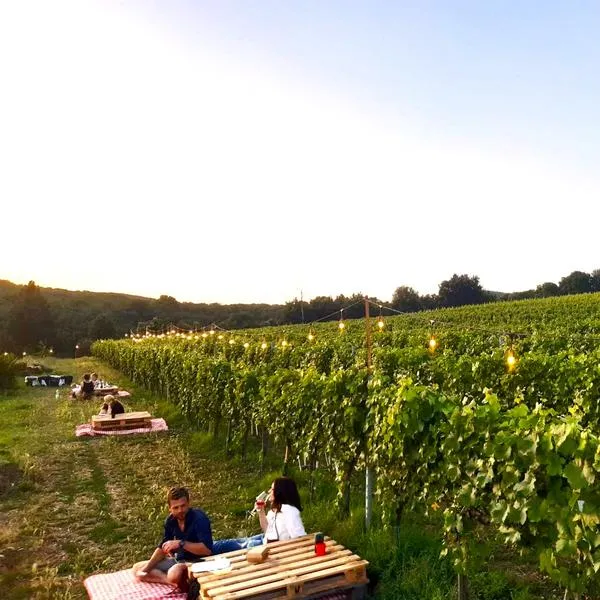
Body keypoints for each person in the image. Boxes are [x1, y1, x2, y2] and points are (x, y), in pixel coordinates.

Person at [132, 486, 213, 590]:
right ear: (169, 508)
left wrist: (181, 543)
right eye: (175, 508)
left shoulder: (199, 518)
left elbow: (206, 550)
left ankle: (176, 579)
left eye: (183, 506)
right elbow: (162, 547)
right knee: (137, 568)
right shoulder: (170, 521)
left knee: (174, 574)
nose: (180, 510)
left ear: (188, 504)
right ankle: (173, 583)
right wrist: (146, 569)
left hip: (198, 561)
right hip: (179, 560)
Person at [211, 476, 306, 554]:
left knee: (226, 546)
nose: (269, 491)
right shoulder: (276, 509)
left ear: (280, 492)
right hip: (265, 539)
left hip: (267, 546)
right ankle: (208, 545)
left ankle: (207, 548)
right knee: (232, 542)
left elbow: (299, 538)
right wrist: (261, 511)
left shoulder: (290, 511)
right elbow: (266, 529)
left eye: (272, 489)